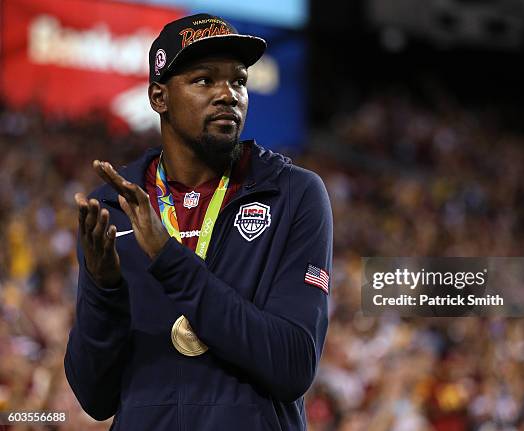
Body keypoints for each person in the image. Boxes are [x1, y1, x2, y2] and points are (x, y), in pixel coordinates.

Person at [64, 13, 333, 431]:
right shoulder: (114, 207)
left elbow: (293, 365)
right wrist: (103, 291)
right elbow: (95, 398)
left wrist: (168, 258)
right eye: (204, 80)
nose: (228, 94)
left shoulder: (293, 194)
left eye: (239, 81)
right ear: (159, 97)